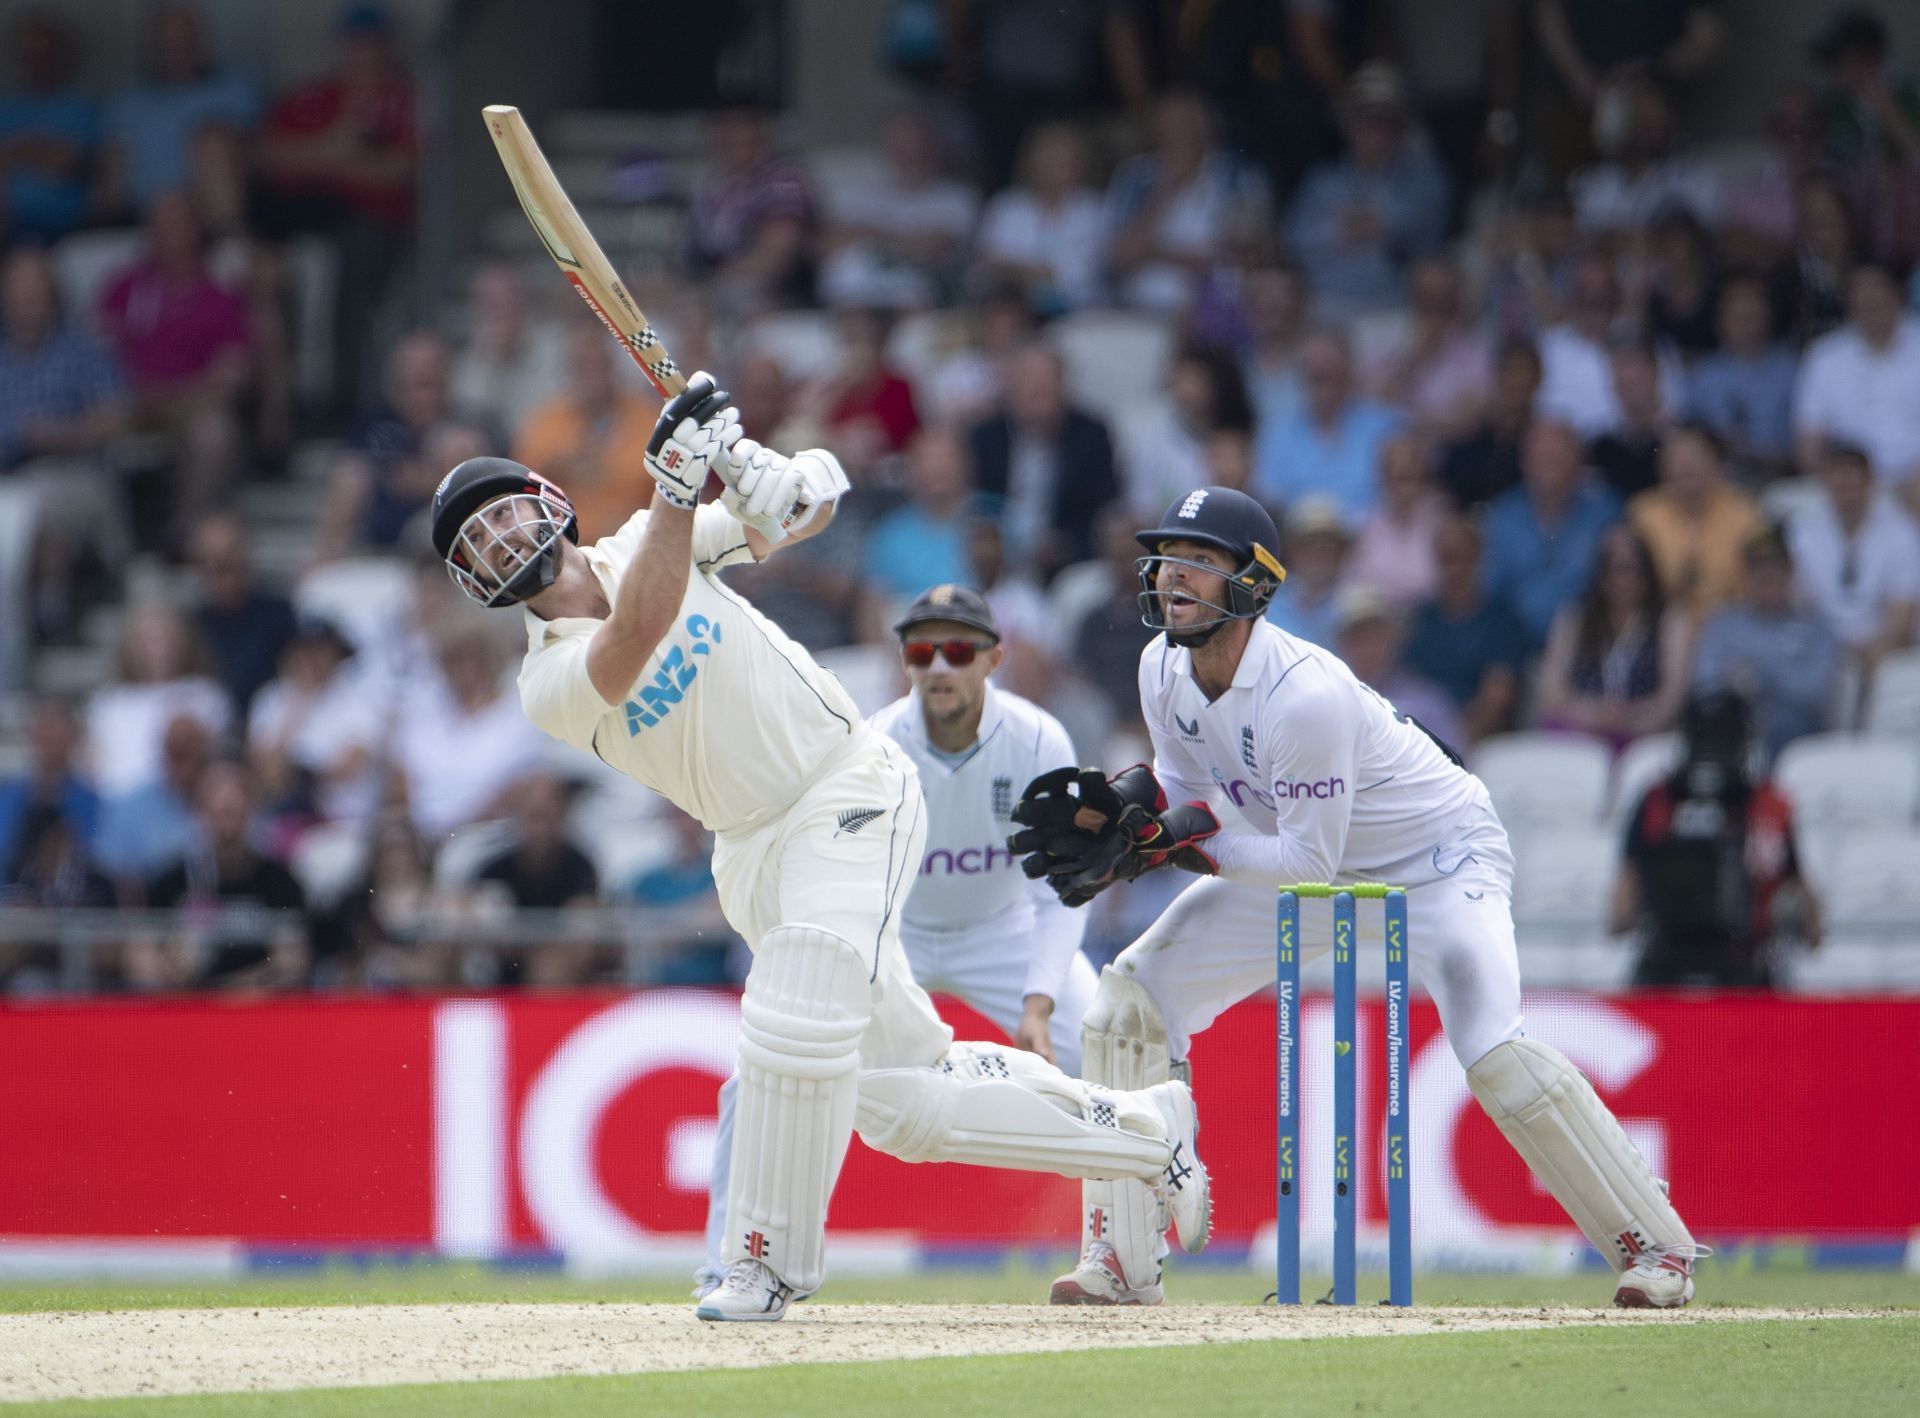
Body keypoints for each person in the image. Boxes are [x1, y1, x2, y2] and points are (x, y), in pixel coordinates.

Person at [427, 376, 1207, 1322]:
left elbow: (808, 508)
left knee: (794, 1005)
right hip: (751, 848)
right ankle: (1142, 1133)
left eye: (500, 515)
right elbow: (633, 635)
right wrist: (680, 490)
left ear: (547, 500)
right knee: (901, 1104)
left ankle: (763, 1263)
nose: (499, 541)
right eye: (475, 543)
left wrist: (765, 477)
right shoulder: (544, 680)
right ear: (472, 581)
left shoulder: (644, 537)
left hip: (845, 786)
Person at [1013, 485, 1704, 1309]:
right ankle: (1121, 1259)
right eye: (1169, 559)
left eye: (1201, 561)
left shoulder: (1304, 695)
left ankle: (1656, 1248)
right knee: (1128, 1003)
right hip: (1298, 860)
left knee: (1496, 1054)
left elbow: (1306, 858)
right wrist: (1134, 808)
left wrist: (1174, 848)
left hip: (1435, 861)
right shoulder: (1160, 664)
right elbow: (1188, 784)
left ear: (1254, 586)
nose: (1175, 577)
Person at [698, 583, 1102, 1292]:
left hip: (1000, 930)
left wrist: (1037, 1002)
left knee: (1102, 1040)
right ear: (905, 661)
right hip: (894, 932)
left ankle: (1121, 1255)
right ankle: (728, 1266)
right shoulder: (876, 743)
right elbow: (843, 875)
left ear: (993, 657)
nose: (939, 666)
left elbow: (1059, 886)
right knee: (763, 1076)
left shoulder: (1039, 739)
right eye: (922, 650)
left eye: (958, 650)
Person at [1612, 691, 1817, 987]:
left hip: (1705, 971)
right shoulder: (1768, 803)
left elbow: (1619, 916)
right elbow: (1813, 931)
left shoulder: (1657, 801)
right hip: (1721, 973)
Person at [1692, 524, 1839, 763]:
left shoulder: (1816, 627)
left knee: (1785, 730)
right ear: (1745, 574)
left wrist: (1760, 670)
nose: (1766, 574)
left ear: (1790, 571)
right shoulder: (1723, 624)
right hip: (1733, 727)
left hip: (1795, 733)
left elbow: (1815, 692)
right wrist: (1732, 683)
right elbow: (1703, 682)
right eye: (1757, 567)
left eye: (1775, 566)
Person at [1536, 524, 1691, 750]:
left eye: (1630, 569)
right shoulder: (1574, 619)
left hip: (1642, 732)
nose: (1620, 580)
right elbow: (1551, 694)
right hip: (1583, 728)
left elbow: (1671, 700)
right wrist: (1595, 714)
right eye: (1611, 569)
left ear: (1647, 573)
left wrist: (1630, 717)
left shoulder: (1670, 622)